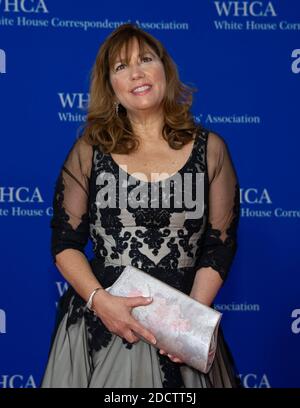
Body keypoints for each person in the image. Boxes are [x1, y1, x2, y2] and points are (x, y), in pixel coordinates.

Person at [41, 23, 241, 388]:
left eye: (145, 59)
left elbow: (220, 247)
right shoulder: (90, 149)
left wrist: (186, 326)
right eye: (121, 66)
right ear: (111, 86)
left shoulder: (211, 149)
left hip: (181, 332)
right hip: (104, 328)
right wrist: (100, 302)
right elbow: (64, 243)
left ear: (165, 70)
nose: (136, 72)